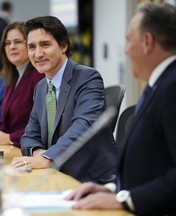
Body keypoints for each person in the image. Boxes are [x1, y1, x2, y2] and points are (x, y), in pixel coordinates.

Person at [66, 3, 176, 216]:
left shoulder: (172, 87)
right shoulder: (160, 83)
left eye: (128, 41)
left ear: (147, 42)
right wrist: (112, 189)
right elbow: (154, 165)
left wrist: (126, 200)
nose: (125, 50)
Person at [10, 16, 117, 182]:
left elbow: (83, 126)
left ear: (63, 46)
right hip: (56, 174)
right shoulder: (41, 87)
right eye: (32, 47)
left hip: (90, 178)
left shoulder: (88, 77)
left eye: (45, 45)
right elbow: (29, 135)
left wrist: (47, 158)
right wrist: (39, 153)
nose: (38, 54)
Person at [0, 21, 44, 147]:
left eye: (17, 42)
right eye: (7, 43)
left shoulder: (40, 76)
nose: (12, 47)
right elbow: (7, 123)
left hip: (31, 151)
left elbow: (43, 127)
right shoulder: (12, 77)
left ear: (30, 45)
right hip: (14, 149)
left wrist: (9, 138)